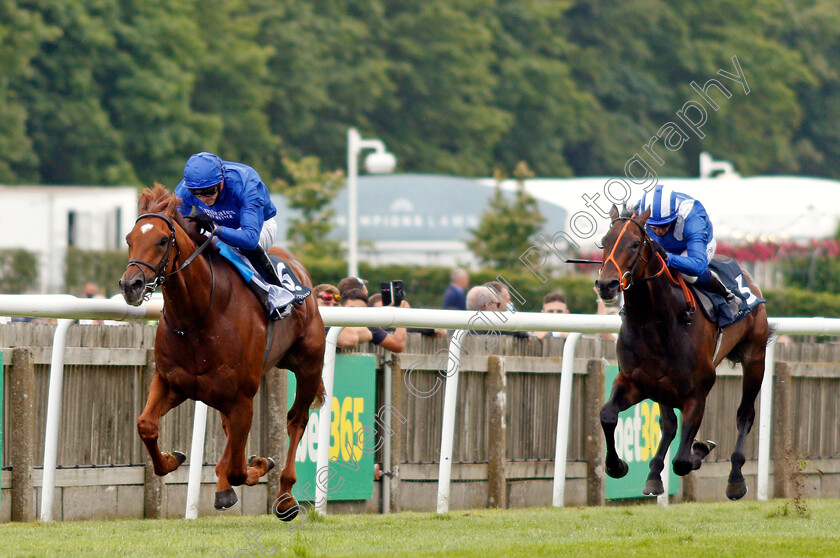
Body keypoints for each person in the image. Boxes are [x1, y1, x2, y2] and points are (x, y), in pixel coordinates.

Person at [174, 152, 310, 315]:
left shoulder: (246, 182)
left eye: (209, 191)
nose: (203, 198)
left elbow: (250, 239)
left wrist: (215, 230)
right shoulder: (188, 188)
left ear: (222, 180)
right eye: (197, 193)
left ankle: (276, 295)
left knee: (235, 249)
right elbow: (175, 224)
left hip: (258, 228)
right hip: (217, 228)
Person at [638, 184, 737, 303]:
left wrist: (668, 257)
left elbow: (698, 265)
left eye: (664, 226)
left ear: (674, 217)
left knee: (687, 273)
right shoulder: (639, 212)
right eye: (653, 227)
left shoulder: (692, 217)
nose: (659, 231)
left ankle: (727, 295)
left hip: (697, 246)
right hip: (664, 247)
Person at [337, 288, 409, 352]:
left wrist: (402, 313)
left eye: (362, 310)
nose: (357, 314)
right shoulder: (333, 322)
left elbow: (397, 345)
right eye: (352, 309)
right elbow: (350, 340)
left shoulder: (368, 326)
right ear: (341, 307)